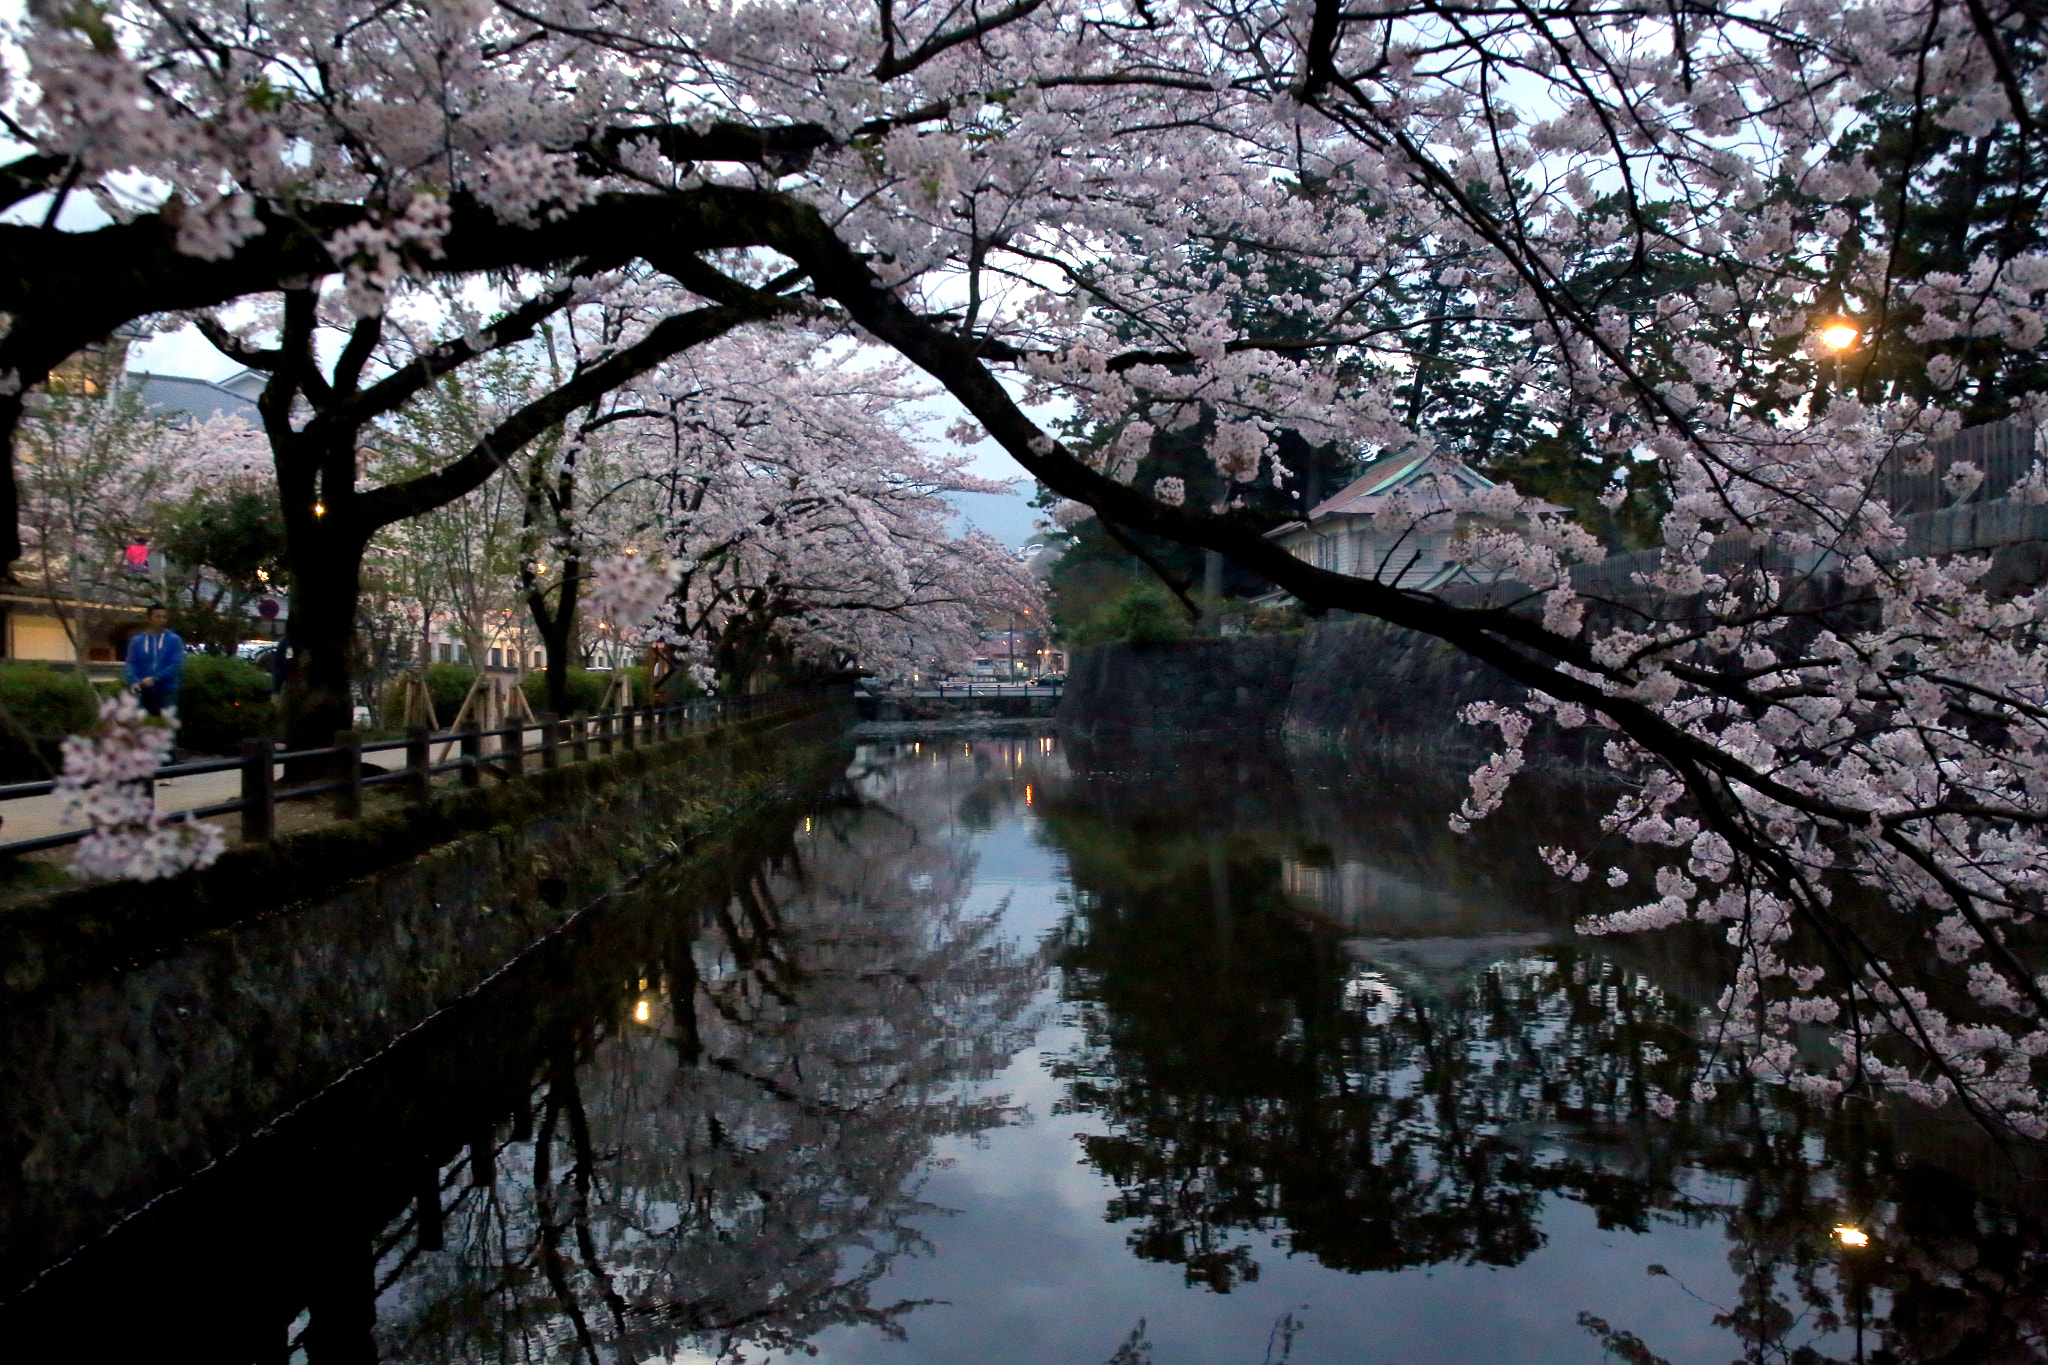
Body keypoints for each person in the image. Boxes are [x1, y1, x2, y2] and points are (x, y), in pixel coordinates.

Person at [125, 604, 186, 721]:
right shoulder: (137, 641)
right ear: (148, 618)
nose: (161, 620)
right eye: (157, 616)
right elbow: (130, 663)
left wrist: (155, 678)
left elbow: (177, 664)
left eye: (164, 617)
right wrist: (135, 681)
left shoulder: (174, 640)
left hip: (167, 690)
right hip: (142, 690)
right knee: (142, 725)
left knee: (166, 725)